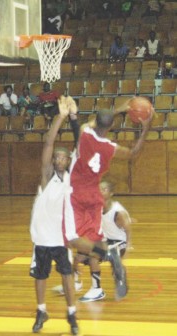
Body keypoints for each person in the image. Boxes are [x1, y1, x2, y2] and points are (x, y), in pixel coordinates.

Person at [64, 99, 153, 300]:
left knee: (72, 238)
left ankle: (109, 256)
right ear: (111, 126)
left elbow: (88, 123)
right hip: (95, 195)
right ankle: (96, 287)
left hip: (76, 194)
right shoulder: (110, 147)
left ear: (96, 121)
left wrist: (118, 110)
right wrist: (146, 128)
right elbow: (133, 153)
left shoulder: (85, 135)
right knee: (95, 239)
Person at [29, 96, 79, 335]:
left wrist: (75, 118)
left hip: (61, 238)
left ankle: (72, 314)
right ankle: (41, 310)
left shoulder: (71, 178)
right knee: (40, 276)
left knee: (67, 276)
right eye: (57, 157)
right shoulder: (47, 177)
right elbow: (48, 144)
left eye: (63, 157)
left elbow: (81, 146)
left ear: (68, 161)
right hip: (42, 238)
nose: (59, 159)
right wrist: (61, 117)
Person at [76, 180, 132, 302]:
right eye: (99, 189)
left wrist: (126, 251)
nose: (100, 191)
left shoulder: (118, 212)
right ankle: (75, 282)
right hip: (106, 241)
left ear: (111, 193)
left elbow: (128, 231)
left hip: (119, 243)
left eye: (104, 189)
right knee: (79, 255)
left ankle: (99, 288)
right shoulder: (97, 207)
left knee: (94, 256)